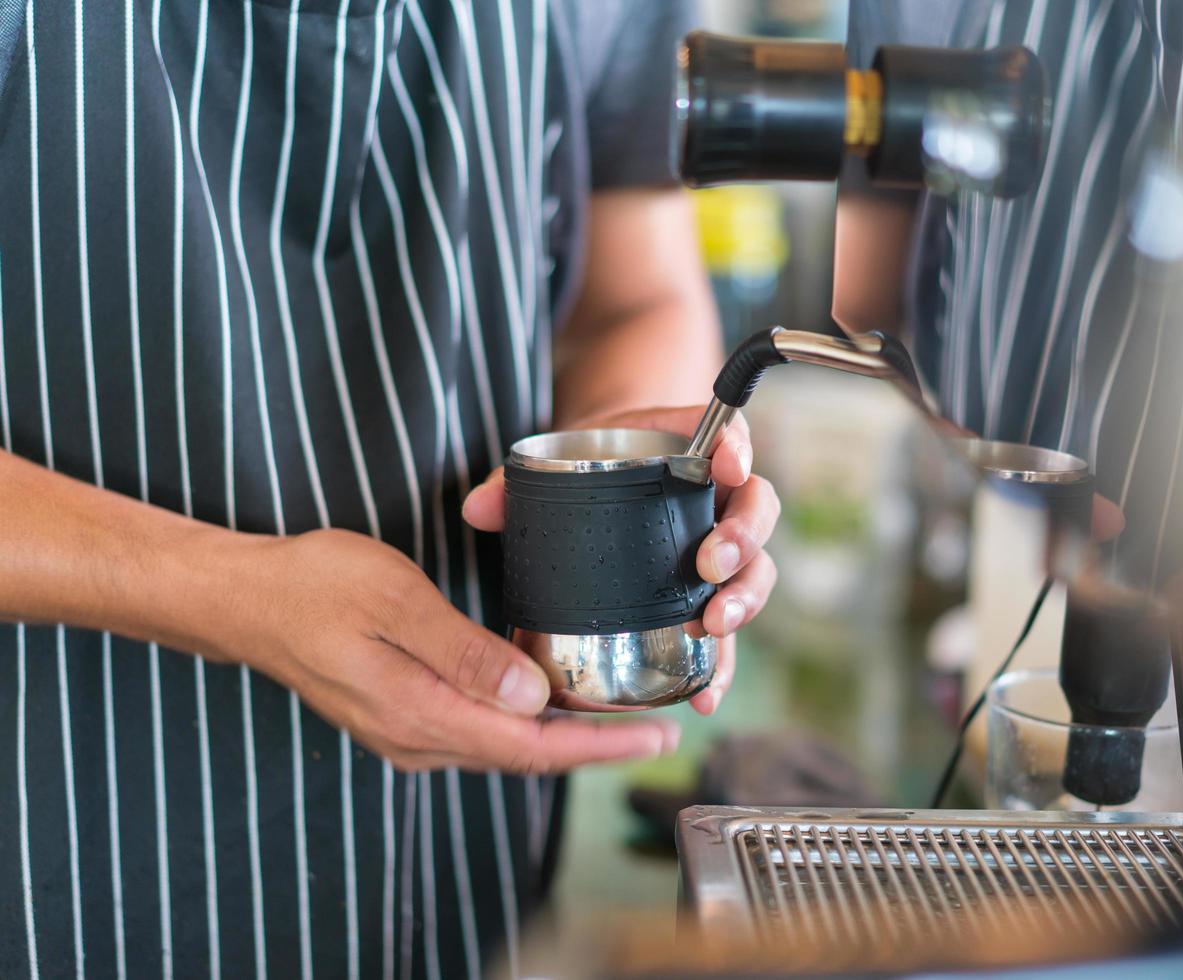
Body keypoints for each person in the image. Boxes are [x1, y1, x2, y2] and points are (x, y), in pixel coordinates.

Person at [0, 1, 779, 976]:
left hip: (468, 856)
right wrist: (223, 589)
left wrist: (623, 485)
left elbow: (637, 293)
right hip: (79, 824)